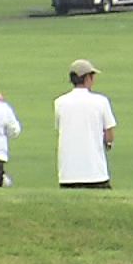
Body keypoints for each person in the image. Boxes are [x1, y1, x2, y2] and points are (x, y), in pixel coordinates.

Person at [54, 58, 116, 189]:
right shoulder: (101, 101)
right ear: (87, 78)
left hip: (68, 175)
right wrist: (108, 143)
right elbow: (109, 133)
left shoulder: (60, 102)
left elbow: (59, 127)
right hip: (95, 173)